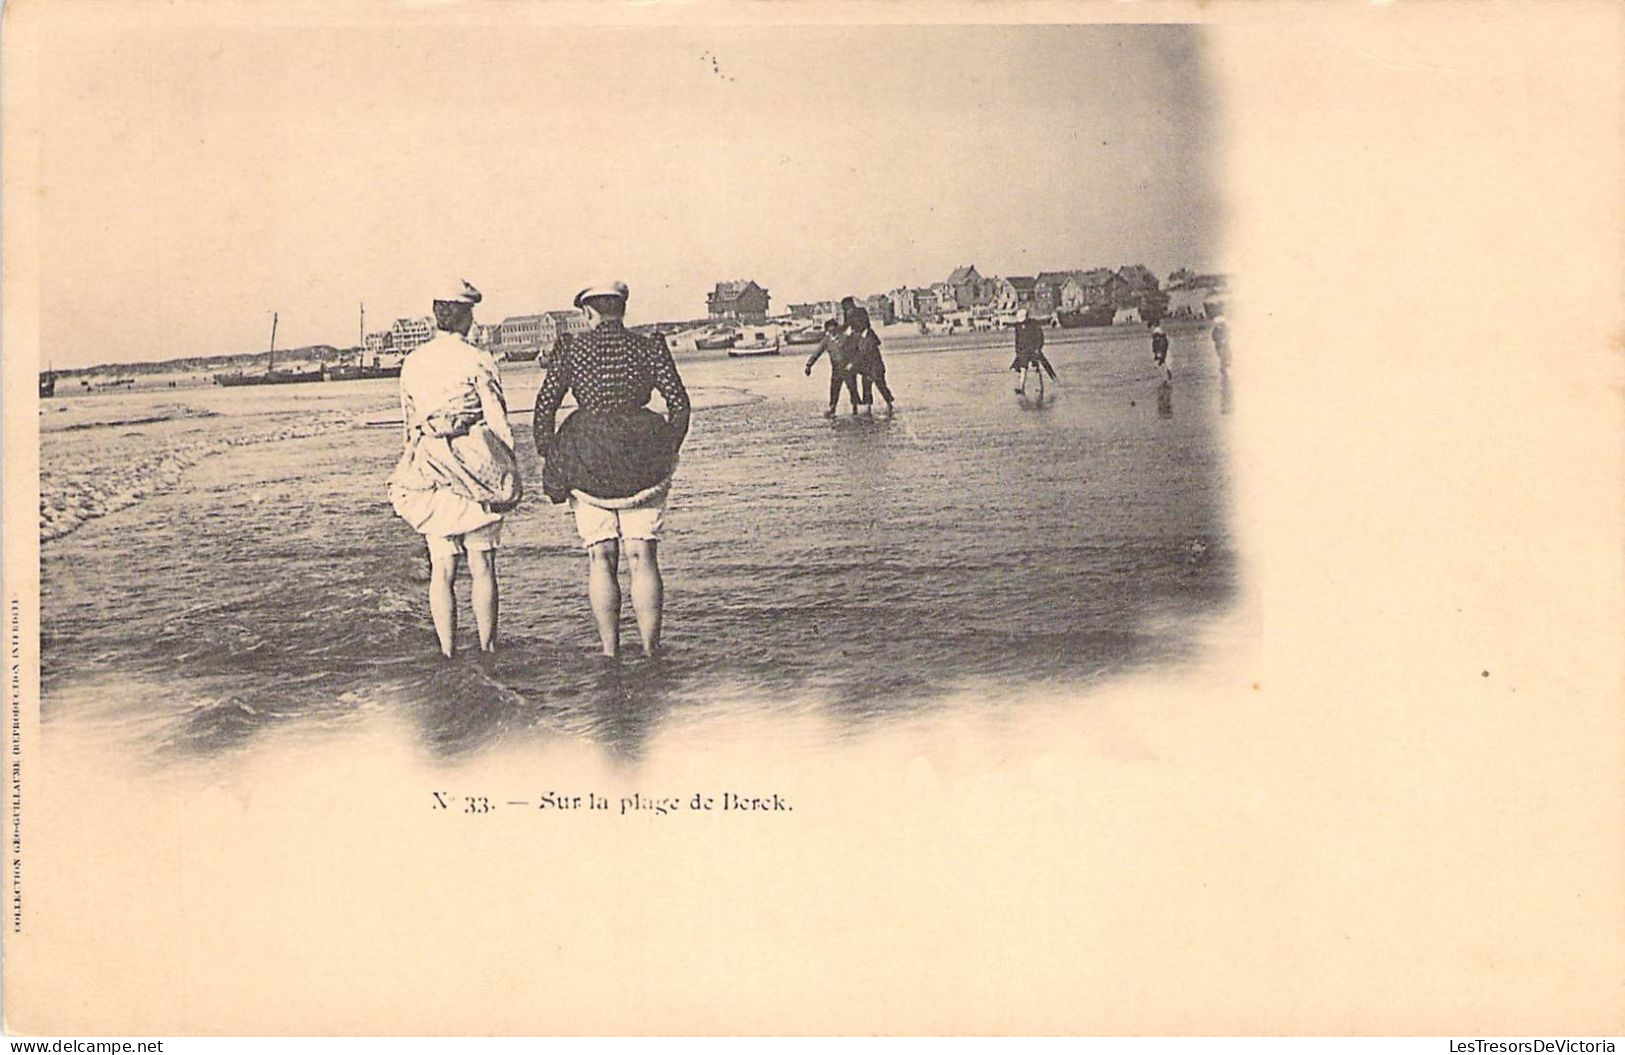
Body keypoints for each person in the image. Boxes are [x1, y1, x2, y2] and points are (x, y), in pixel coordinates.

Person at [533, 281, 690, 659]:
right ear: (623, 309)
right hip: (643, 459)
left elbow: (544, 408)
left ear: (588, 313)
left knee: (600, 558)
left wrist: (554, 455)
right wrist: (664, 447)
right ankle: (652, 650)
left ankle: (610, 652)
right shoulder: (649, 345)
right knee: (643, 557)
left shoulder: (571, 348)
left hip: (587, 459)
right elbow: (680, 406)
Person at [388, 279, 518, 658]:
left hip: (429, 466)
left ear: (436, 316)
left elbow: (409, 422)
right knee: (483, 565)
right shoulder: (478, 358)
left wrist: (415, 461)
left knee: (441, 568)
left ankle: (447, 652)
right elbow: (498, 420)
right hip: (475, 464)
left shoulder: (413, 361)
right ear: (467, 318)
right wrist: (505, 467)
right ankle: (487, 647)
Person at [842, 296, 894, 414]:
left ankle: (887, 403)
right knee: (867, 383)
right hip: (867, 362)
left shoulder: (868, 336)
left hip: (874, 363)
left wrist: (852, 363)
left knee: (878, 382)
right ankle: (869, 406)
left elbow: (863, 351)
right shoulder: (857, 331)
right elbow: (847, 327)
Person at [804, 318, 860, 416]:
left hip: (848, 368)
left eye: (833, 327)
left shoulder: (845, 338)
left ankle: (855, 408)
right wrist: (809, 365)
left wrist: (852, 363)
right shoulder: (826, 341)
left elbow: (855, 352)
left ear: (836, 328)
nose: (831, 330)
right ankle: (832, 408)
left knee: (852, 388)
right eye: (829, 328)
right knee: (834, 388)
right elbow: (817, 353)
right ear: (827, 329)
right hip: (836, 369)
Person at [1009, 308, 1057, 394]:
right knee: (1023, 368)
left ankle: (1042, 386)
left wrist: (1038, 348)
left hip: (1034, 349)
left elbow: (1040, 337)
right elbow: (1017, 339)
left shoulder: (1033, 324)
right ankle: (1021, 387)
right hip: (1023, 350)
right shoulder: (1018, 326)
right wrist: (1017, 351)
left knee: (1037, 367)